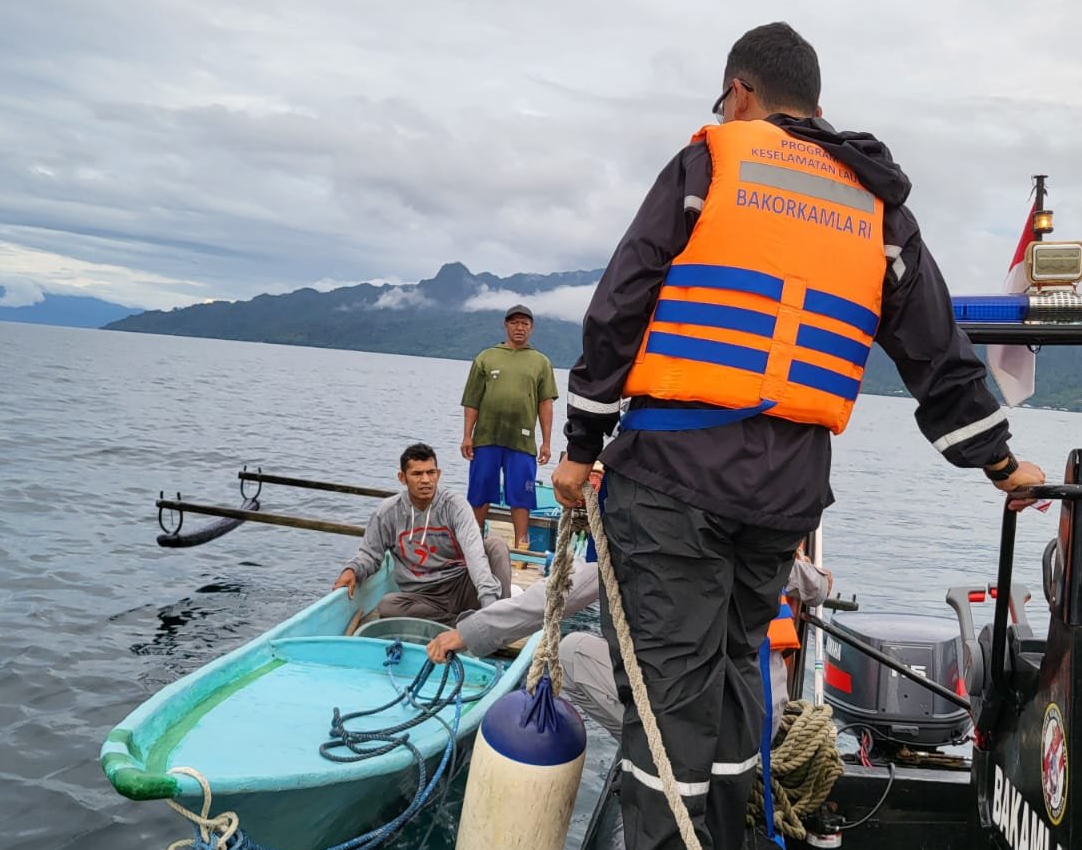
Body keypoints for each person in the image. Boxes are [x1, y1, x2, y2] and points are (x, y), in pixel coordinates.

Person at [550, 23, 1047, 850]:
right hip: (784, 497)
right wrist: (1001, 464)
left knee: (666, 704)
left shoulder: (710, 164)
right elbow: (936, 346)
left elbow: (623, 298)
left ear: (740, 92)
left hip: (673, 478)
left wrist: (580, 446)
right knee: (735, 672)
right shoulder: (875, 205)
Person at [425, 525, 831, 739]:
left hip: (692, 733)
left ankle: (644, 755)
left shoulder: (647, 542)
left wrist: (468, 634)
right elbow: (818, 586)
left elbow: (555, 595)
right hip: (758, 728)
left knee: (571, 651)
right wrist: (817, 575)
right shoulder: (763, 557)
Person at [334, 443, 512, 624]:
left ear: (438, 474)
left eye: (431, 472)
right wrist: (352, 570)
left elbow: (474, 553)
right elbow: (370, 555)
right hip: (424, 597)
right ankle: (461, 623)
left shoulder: (454, 506)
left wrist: (488, 601)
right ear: (402, 478)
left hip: (463, 586)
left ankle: (499, 618)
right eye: (417, 474)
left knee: (496, 545)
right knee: (387, 606)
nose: (426, 480)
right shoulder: (388, 512)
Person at [460, 304, 559, 550]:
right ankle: (473, 545)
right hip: (486, 438)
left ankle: (521, 546)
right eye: (514, 322)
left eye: (525, 323)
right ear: (505, 326)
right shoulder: (486, 357)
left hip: (522, 442)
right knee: (480, 492)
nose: (519, 327)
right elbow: (472, 400)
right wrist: (467, 436)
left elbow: (545, 404)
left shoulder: (541, 362)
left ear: (531, 328)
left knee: (522, 495)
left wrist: (546, 442)